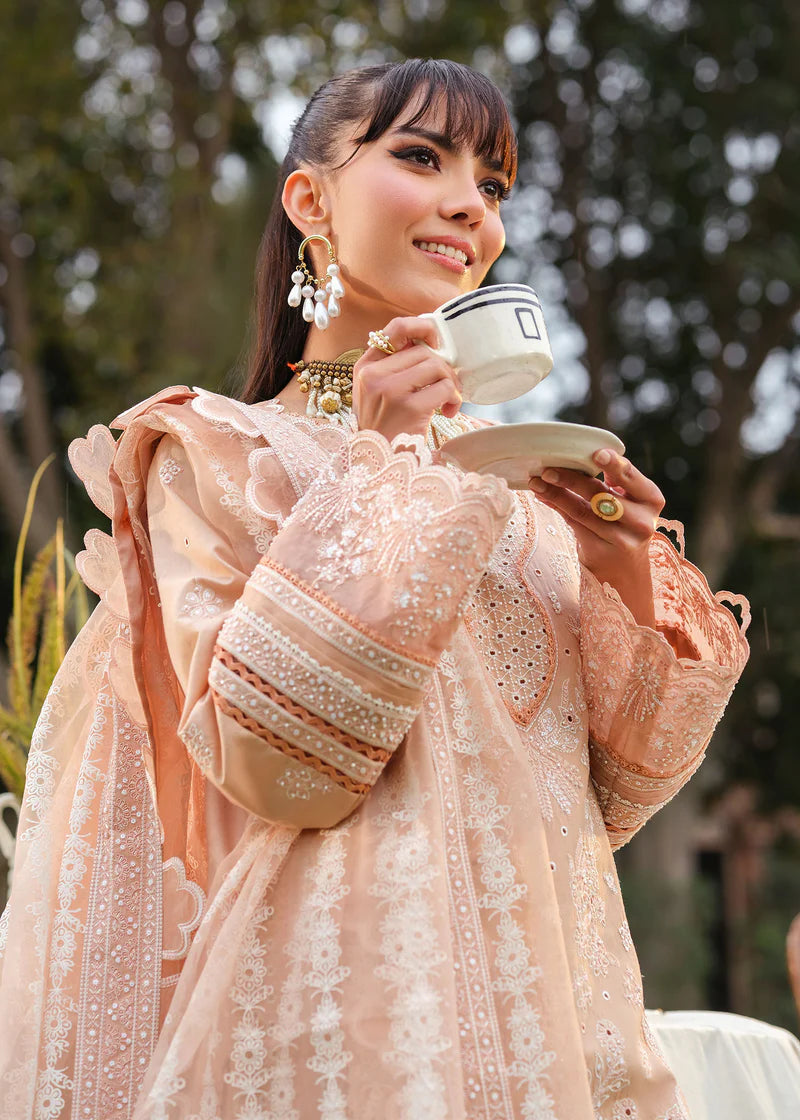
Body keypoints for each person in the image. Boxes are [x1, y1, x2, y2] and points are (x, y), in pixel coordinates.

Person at [0, 58, 749, 1120]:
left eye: (490, 185)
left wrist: (617, 562)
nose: (467, 205)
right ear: (309, 199)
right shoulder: (214, 452)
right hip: (344, 1031)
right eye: (419, 156)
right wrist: (380, 463)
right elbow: (282, 765)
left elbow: (612, 793)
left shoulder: (515, 480)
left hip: (552, 1024)